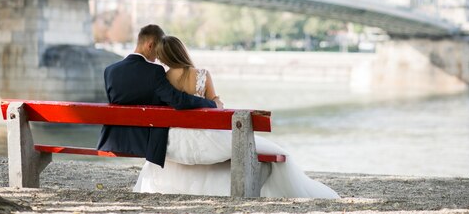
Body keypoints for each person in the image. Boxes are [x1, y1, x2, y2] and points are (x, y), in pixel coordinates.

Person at [133, 35, 339, 198]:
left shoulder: (161, 78)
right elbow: (217, 107)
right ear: (182, 52)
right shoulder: (202, 75)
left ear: (165, 56)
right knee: (271, 152)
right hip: (204, 140)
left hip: (174, 142)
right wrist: (215, 103)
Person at [96, 25, 219, 167]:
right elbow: (177, 100)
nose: (159, 56)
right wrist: (212, 104)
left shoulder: (110, 71)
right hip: (145, 142)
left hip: (114, 140)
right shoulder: (155, 71)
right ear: (150, 45)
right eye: (159, 50)